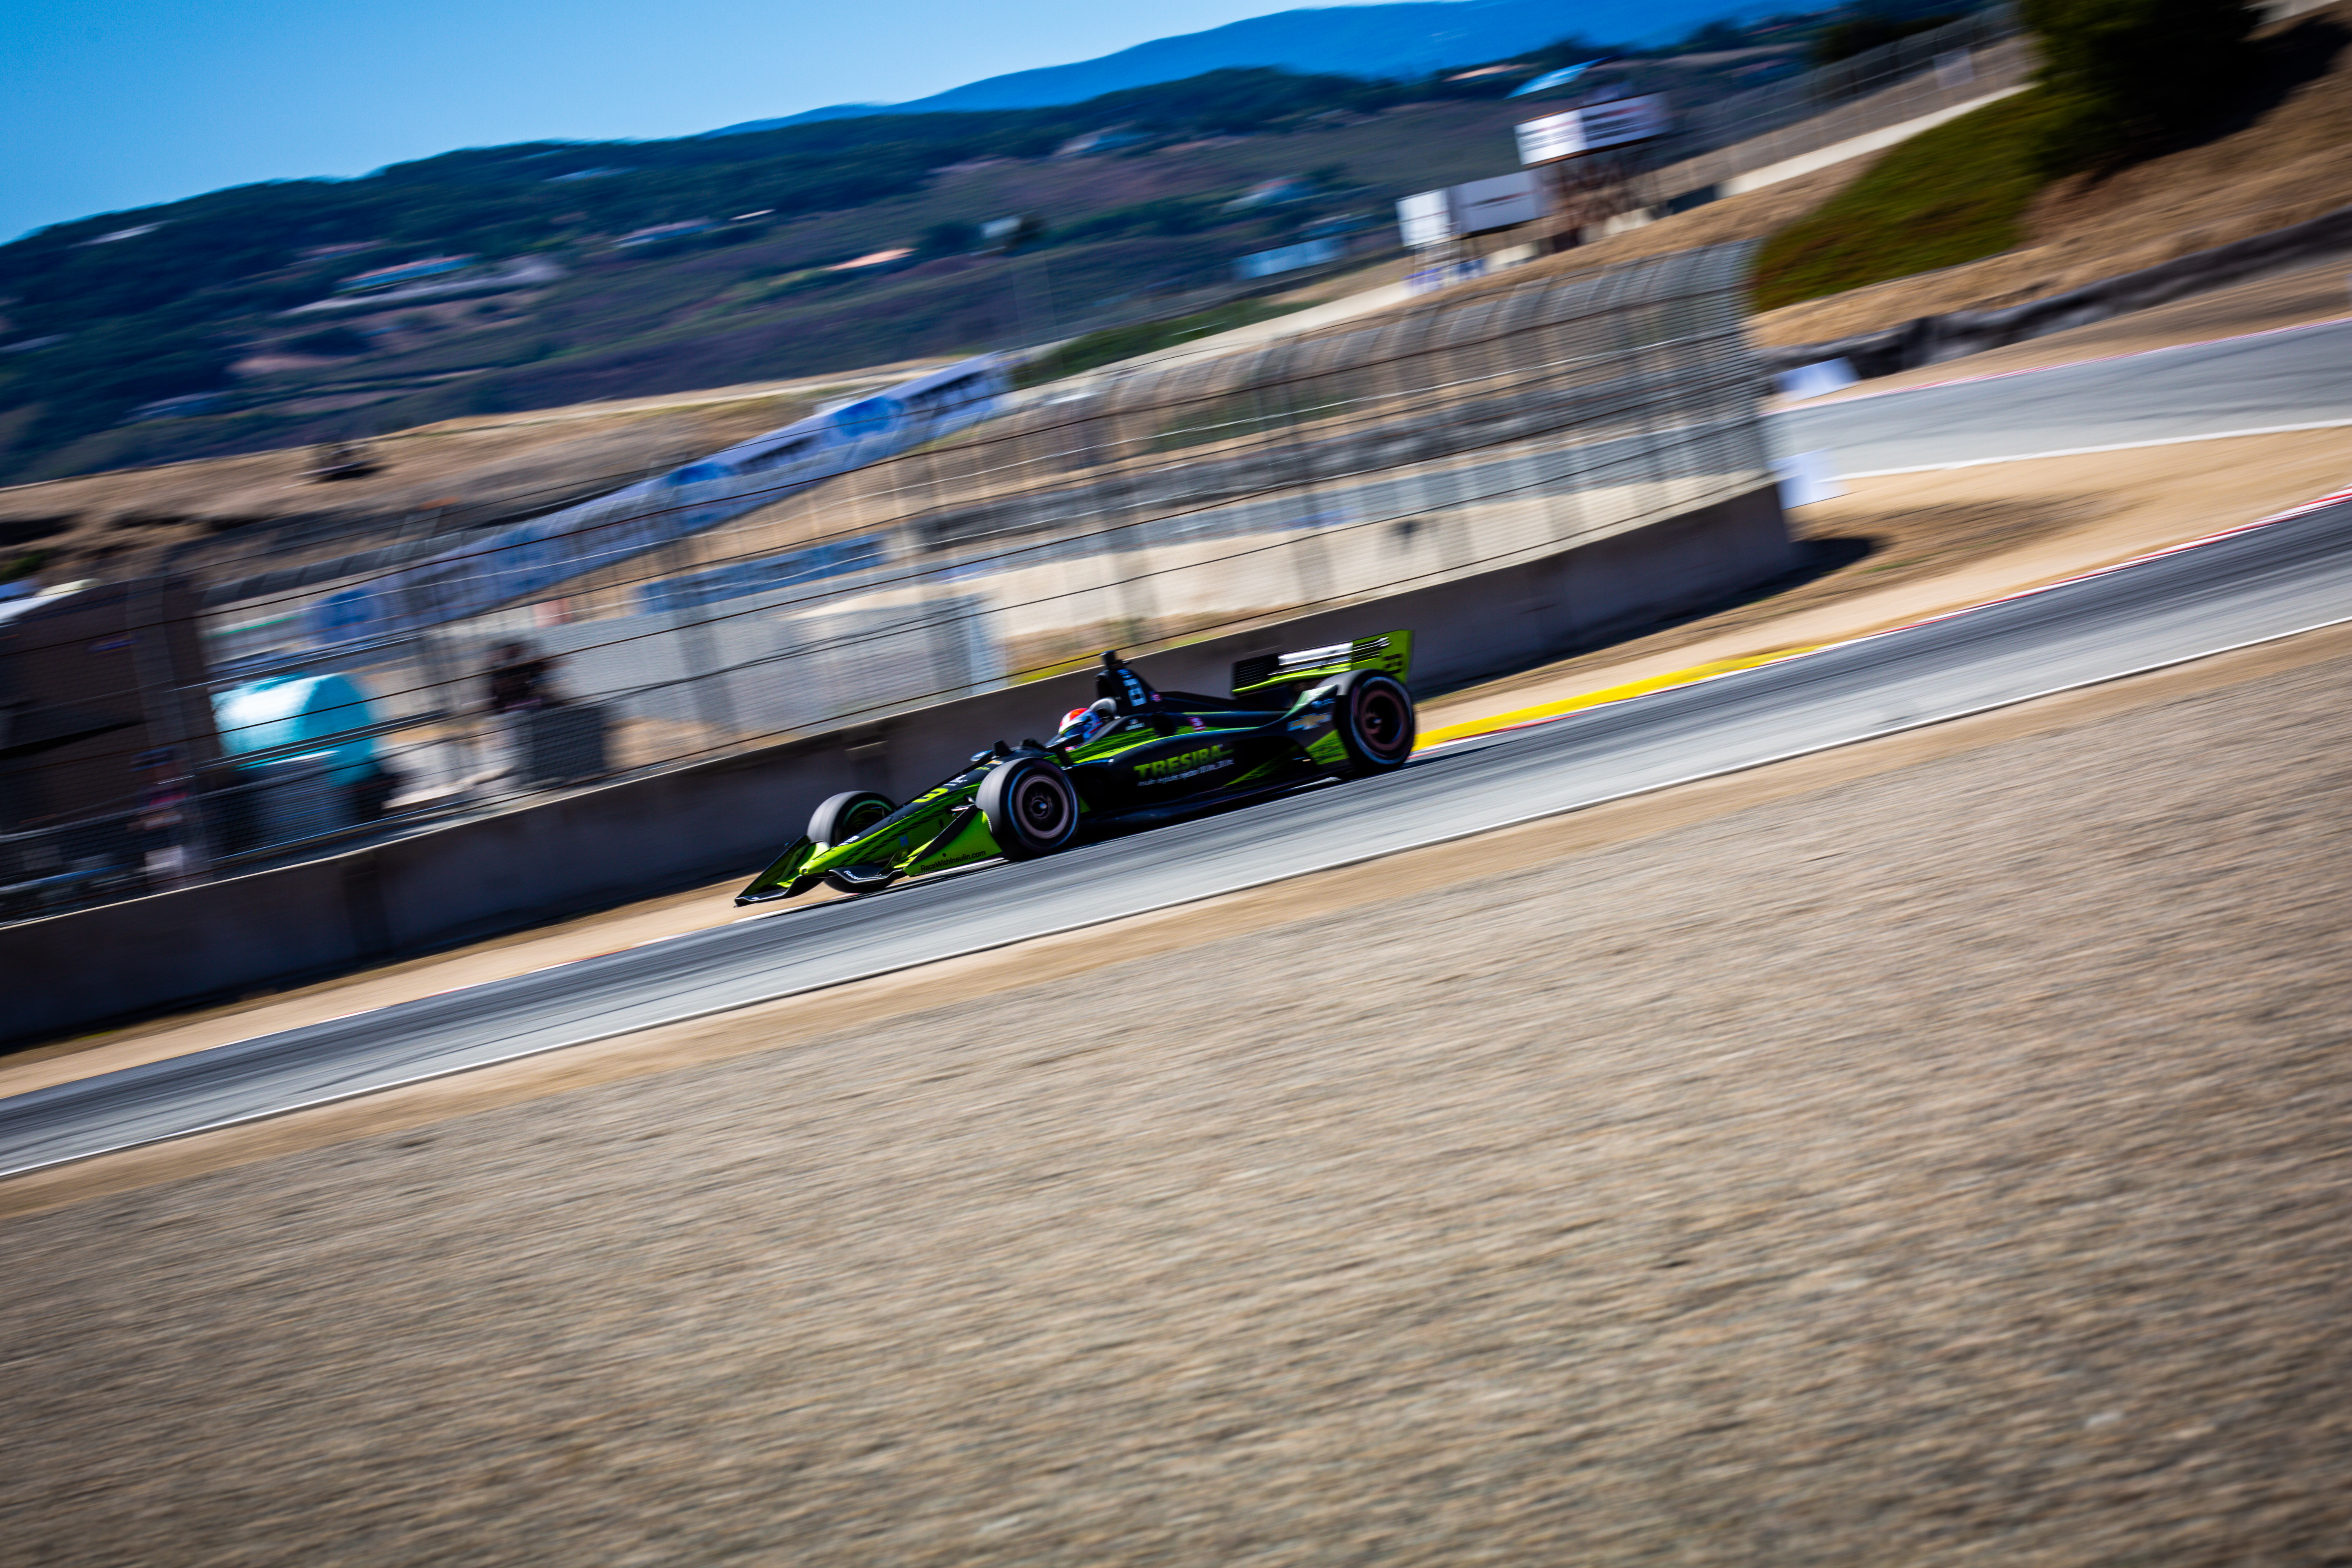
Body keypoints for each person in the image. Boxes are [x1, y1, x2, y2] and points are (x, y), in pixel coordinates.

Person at [130, 748, 197, 891]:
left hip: (188, 845)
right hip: (158, 849)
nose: (154, 773)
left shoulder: (186, 786)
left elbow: (192, 815)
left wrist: (160, 817)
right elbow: (136, 824)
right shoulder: (146, 793)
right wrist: (169, 815)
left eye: (163, 767)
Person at [482, 641, 562, 714]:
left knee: (550, 701)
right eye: (512, 652)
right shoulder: (502, 670)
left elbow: (540, 671)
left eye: (515, 651)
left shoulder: (522, 666)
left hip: (523, 702)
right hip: (513, 705)